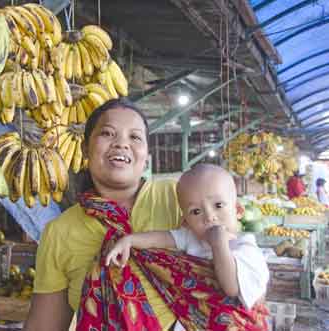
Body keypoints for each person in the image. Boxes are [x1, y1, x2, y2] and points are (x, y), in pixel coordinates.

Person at [24, 98, 268, 331]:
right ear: (85, 149)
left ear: (146, 157)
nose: (121, 143)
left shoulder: (182, 197)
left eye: (135, 137)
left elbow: (239, 262)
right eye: (107, 133)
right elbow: (44, 325)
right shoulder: (60, 231)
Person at [105, 164, 269, 331]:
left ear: (238, 210)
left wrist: (218, 245)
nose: (209, 217)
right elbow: (160, 238)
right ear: (186, 223)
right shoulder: (192, 238)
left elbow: (232, 288)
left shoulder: (246, 249)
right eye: (196, 212)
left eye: (218, 205)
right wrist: (130, 240)